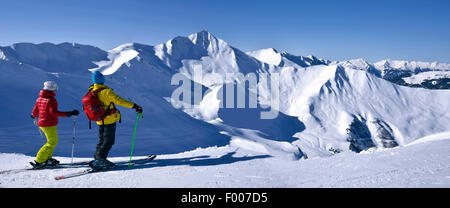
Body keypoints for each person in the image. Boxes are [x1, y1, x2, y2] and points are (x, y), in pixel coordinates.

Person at [88, 71, 143, 170]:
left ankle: (98, 157)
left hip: (100, 119)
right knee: (109, 141)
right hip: (109, 120)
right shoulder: (106, 92)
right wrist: (135, 106)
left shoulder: (92, 90)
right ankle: (100, 160)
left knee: (102, 140)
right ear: (102, 80)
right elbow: (120, 101)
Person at [30, 81, 79, 168]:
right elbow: (54, 113)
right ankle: (40, 160)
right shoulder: (51, 100)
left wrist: (33, 116)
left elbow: (35, 111)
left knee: (52, 141)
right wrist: (69, 113)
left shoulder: (39, 99)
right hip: (49, 123)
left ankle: (47, 158)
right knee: (52, 142)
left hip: (42, 123)